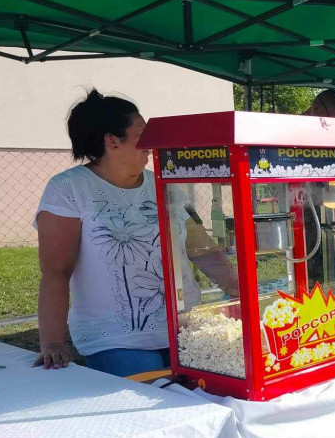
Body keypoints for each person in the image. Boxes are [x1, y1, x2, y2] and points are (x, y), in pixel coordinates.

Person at [34, 89, 236, 377]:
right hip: (116, 340)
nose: (153, 143)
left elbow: (201, 250)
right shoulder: (69, 189)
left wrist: (240, 294)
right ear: (112, 141)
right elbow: (56, 271)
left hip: (186, 328)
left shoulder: (163, 184)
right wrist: (53, 342)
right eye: (143, 133)